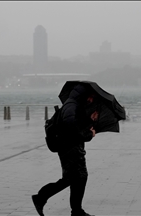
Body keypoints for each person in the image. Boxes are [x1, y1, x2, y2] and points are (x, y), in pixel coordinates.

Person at [32, 84, 99, 216]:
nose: (91, 100)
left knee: (75, 178)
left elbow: (75, 125)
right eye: (91, 97)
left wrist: (90, 120)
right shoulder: (71, 106)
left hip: (71, 148)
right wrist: (88, 134)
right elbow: (72, 129)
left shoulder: (74, 106)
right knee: (77, 177)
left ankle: (76, 211)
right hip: (69, 149)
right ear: (84, 95)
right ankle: (41, 197)